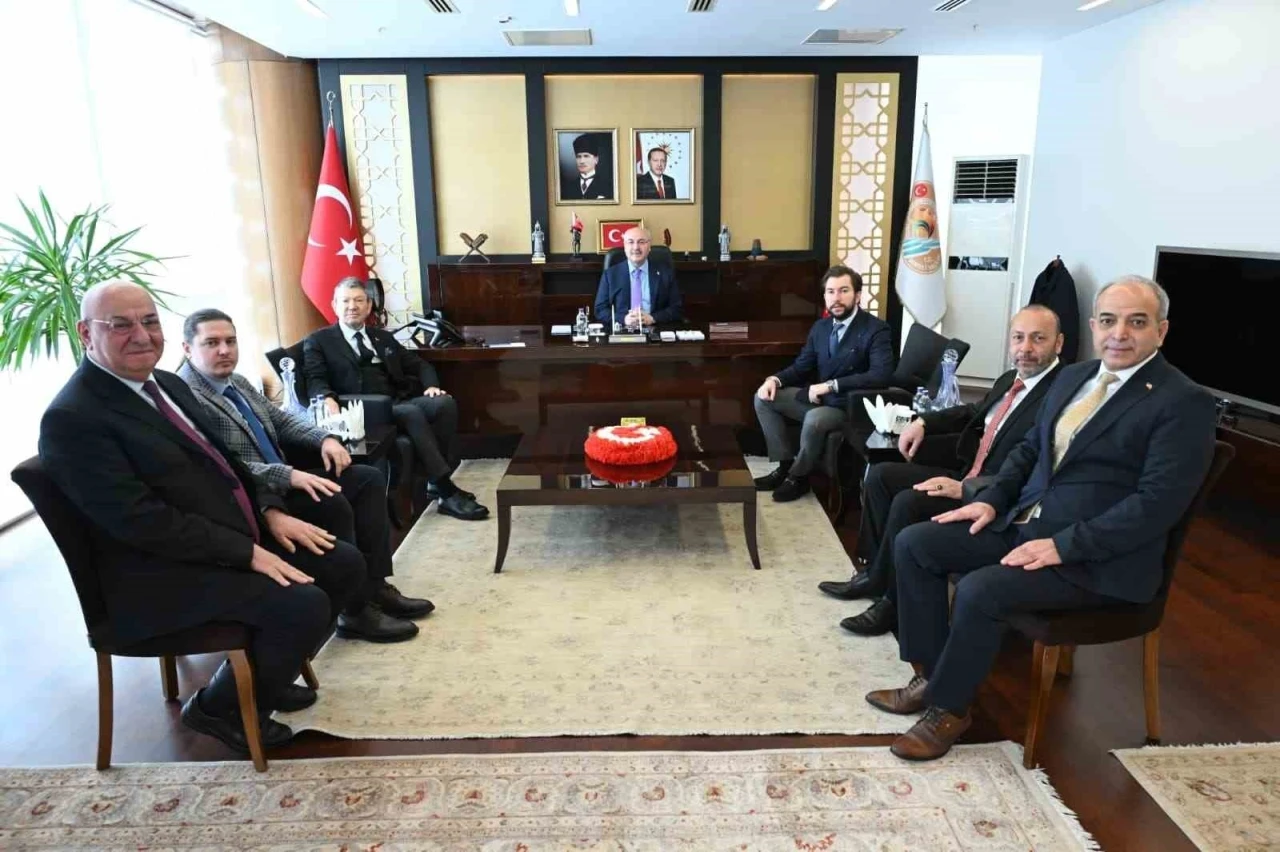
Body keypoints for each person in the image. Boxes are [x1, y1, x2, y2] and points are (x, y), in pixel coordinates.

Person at [866, 275, 1217, 762]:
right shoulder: (1074, 378)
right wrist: (992, 500)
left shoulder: (1183, 402)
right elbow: (1029, 451)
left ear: (1161, 330)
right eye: (1109, 321)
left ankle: (949, 710)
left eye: (1137, 323)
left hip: (1097, 560)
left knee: (979, 589)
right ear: (1093, 326)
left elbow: (1156, 504)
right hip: (1027, 525)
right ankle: (931, 677)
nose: (1120, 333)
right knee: (915, 544)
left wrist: (1063, 546)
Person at [39, 281, 369, 755]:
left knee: (344, 563)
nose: (142, 335)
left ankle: (260, 678)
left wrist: (270, 512)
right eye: (121, 325)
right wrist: (246, 552)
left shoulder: (166, 383)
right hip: (157, 575)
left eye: (150, 321)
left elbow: (226, 463)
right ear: (86, 333)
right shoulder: (74, 418)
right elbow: (142, 522)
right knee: (303, 605)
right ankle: (218, 707)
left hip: (216, 541)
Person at [179, 308, 434, 643]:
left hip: (281, 481)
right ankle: (354, 611)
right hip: (253, 499)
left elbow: (281, 420)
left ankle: (375, 586)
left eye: (230, 341)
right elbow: (221, 467)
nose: (225, 350)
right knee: (332, 500)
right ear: (187, 348)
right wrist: (289, 475)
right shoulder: (186, 396)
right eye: (212, 343)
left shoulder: (235, 381)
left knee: (367, 479)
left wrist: (325, 438)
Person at [819, 306, 1065, 637]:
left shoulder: (1060, 393)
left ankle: (892, 604)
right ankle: (876, 575)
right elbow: (973, 412)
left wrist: (968, 488)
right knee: (881, 475)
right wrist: (923, 421)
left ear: (1058, 343)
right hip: (967, 470)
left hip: (995, 495)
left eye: (1038, 339)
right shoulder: (1011, 379)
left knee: (908, 501)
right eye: (1018, 338)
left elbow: (1039, 467)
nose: (1026, 348)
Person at [303, 278, 489, 521]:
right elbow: (315, 379)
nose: (352, 306)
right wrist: (327, 398)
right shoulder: (319, 341)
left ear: (369, 306)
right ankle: (445, 489)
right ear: (334, 305)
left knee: (443, 403)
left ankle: (433, 479)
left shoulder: (381, 337)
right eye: (345, 301)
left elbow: (419, 365)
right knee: (410, 413)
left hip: (396, 400)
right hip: (361, 408)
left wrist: (432, 386)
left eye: (359, 300)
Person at [753, 265, 895, 503]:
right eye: (830, 292)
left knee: (815, 418)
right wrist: (774, 379)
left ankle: (798, 477)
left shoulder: (876, 329)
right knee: (763, 398)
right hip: (822, 398)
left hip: (850, 406)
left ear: (857, 295)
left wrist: (831, 385)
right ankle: (785, 466)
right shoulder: (821, 327)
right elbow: (802, 366)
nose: (836, 298)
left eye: (843, 291)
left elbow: (881, 375)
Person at [593, 226, 684, 328]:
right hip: (622, 330)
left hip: (655, 329)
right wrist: (623, 319)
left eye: (641, 242)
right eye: (630, 242)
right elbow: (600, 310)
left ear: (649, 246)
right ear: (625, 246)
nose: (636, 247)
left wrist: (653, 318)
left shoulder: (665, 273)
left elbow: (677, 308)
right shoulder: (610, 275)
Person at [560, 133, 613, 201]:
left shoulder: (607, 187)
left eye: (586, 156)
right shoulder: (568, 188)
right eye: (578, 157)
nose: (582, 161)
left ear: (596, 160)